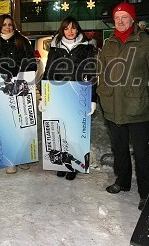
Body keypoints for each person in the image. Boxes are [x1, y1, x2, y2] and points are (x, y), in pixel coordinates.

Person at [97, 2, 149, 210]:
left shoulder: (144, 42)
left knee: (142, 152)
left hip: (135, 106)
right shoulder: (109, 43)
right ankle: (123, 181)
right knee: (119, 148)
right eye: (117, 18)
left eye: (124, 17)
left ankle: (147, 193)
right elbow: (102, 71)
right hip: (112, 105)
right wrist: (101, 93)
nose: (120, 21)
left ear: (132, 20)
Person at [38, 16, 98, 180]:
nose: (70, 31)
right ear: (62, 30)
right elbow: (49, 71)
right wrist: (43, 95)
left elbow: (91, 73)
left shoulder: (86, 48)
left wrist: (92, 98)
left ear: (77, 29)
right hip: (59, 94)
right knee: (60, 130)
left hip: (78, 93)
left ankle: (74, 166)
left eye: (73, 28)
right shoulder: (55, 48)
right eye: (66, 28)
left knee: (74, 132)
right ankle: (62, 162)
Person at [0, 14, 37, 174]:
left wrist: (25, 78)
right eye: (4, 24)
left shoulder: (22, 41)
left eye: (10, 24)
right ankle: (10, 160)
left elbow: (30, 62)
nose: (7, 27)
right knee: (6, 123)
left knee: (22, 122)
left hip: (20, 85)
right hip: (1, 87)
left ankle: (22, 157)